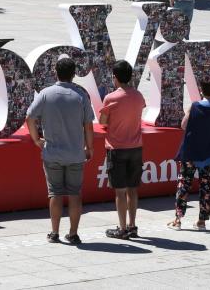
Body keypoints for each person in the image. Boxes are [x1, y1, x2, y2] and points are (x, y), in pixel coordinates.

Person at [26, 58, 95, 245]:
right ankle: (73, 233)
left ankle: (54, 232)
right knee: (75, 194)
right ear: (74, 74)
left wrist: (36, 140)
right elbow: (89, 126)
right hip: (75, 154)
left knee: (54, 193)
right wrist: (89, 148)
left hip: (52, 153)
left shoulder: (46, 94)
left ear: (55, 72)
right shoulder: (81, 95)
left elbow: (30, 117)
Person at [167, 78, 210, 231]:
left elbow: (183, 125)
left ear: (201, 89)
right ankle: (202, 221)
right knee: (206, 187)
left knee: (184, 185)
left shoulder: (195, 107)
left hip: (191, 153)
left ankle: (178, 220)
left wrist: (188, 112)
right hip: (209, 153)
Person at [99, 60, 146, 239]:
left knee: (120, 191)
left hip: (117, 147)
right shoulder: (139, 96)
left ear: (115, 77)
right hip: (136, 147)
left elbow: (103, 121)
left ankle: (122, 227)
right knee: (133, 189)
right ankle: (133, 225)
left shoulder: (111, 98)